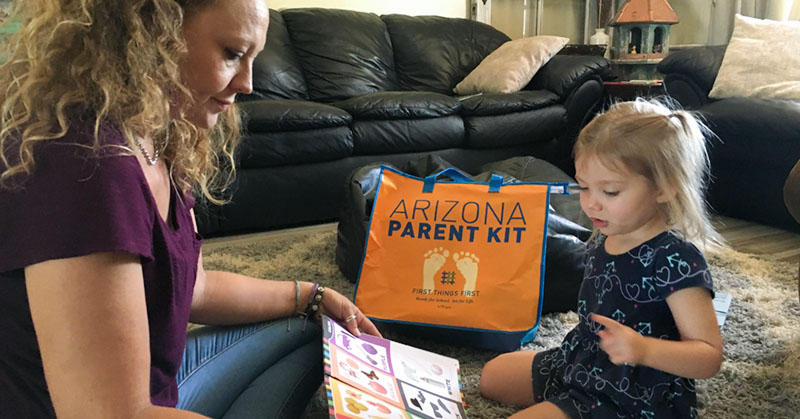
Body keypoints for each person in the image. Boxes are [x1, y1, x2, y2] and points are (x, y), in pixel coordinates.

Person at [0, 0, 380, 418]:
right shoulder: (86, 164)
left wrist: (312, 295)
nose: (249, 84)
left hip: (156, 393)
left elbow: (194, 288)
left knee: (320, 328)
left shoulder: (156, 135)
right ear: (152, 30)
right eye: (233, 54)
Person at [479, 99, 725, 418]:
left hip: (632, 394)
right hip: (581, 362)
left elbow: (708, 357)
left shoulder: (675, 260)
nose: (592, 204)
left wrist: (643, 349)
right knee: (491, 375)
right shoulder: (605, 235)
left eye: (609, 192)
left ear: (665, 187)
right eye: (583, 187)